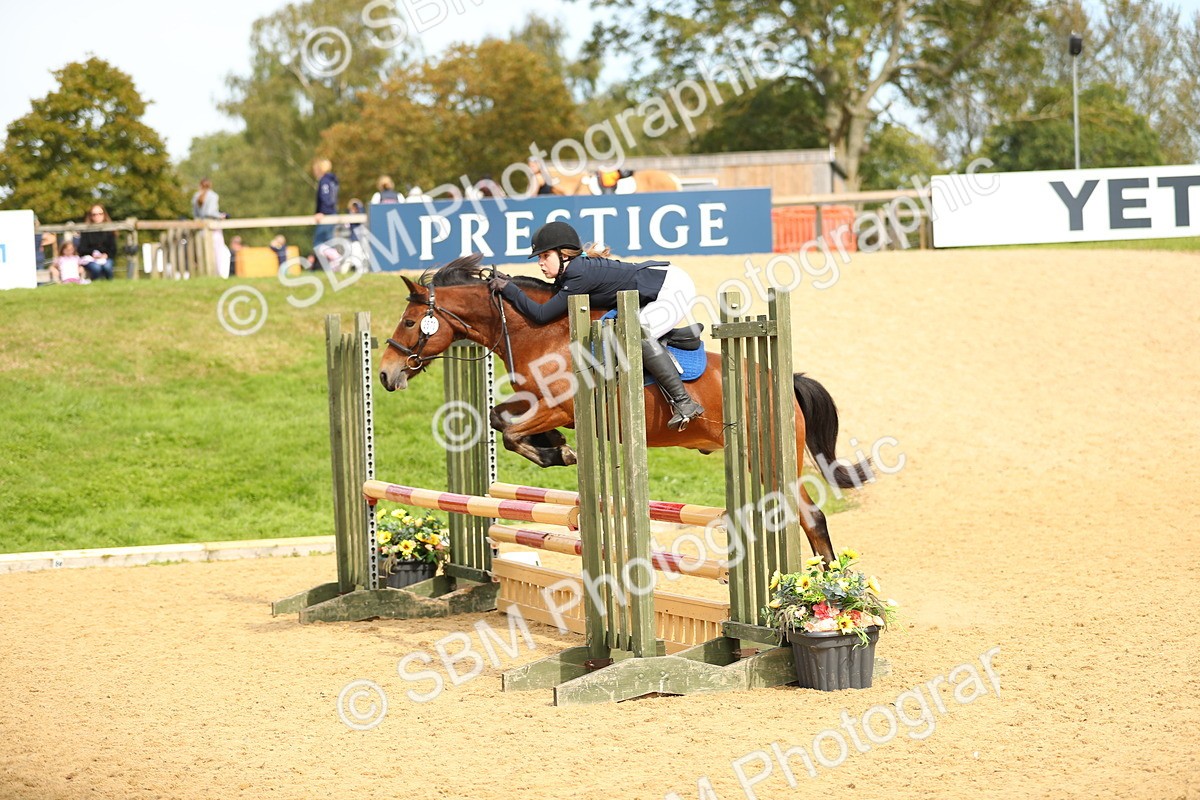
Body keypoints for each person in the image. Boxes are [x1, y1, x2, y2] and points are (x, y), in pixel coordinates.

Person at [488, 221, 705, 431]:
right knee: (631, 330)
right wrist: (511, 284)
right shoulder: (572, 272)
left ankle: (684, 402)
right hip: (657, 286)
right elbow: (552, 302)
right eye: (540, 257)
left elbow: (542, 314)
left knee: (636, 336)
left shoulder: (578, 274)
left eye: (545, 256)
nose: (540, 263)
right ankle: (679, 337)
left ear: (564, 255)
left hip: (672, 289)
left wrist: (509, 289)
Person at [191, 178, 230, 278]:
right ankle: (218, 274)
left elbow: (195, 215)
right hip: (212, 229)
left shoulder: (196, 196)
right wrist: (222, 216)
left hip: (200, 230)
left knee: (202, 253)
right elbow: (210, 212)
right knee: (218, 252)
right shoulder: (213, 196)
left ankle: (202, 274)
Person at [312, 158, 339, 268]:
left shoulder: (325, 181)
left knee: (318, 245)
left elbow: (326, 198)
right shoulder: (332, 181)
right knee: (328, 243)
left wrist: (322, 212)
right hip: (331, 213)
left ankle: (336, 258)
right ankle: (333, 267)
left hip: (327, 214)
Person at [78, 204, 117, 280]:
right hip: (90, 258)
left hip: (106, 258)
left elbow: (113, 249)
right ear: (90, 216)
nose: (97, 216)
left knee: (107, 266)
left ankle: (110, 285)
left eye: (100, 214)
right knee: (96, 268)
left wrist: (106, 255)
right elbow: (82, 249)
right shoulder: (85, 231)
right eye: (94, 214)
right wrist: (93, 254)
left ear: (104, 215)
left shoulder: (110, 230)